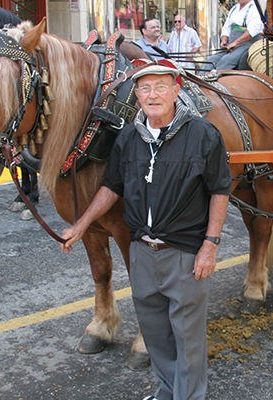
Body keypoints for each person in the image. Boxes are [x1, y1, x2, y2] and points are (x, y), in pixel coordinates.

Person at [60, 63, 231, 400]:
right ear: (136, 95)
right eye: (145, 89)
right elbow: (112, 188)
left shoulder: (203, 135)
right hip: (142, 253)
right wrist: (81, 225)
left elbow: (220, 191)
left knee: (187, 337)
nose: (153, 95)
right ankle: (168, 391)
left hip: (183, 253)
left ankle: (189, 396)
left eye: (160, 87)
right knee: (155, 334)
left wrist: (210, 245)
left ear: (176, 89)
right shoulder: (128, 137)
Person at [205, 0, 263, 71]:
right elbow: (227, 27)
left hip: (248, 43)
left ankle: (214, 79)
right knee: (210, 61)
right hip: (232, 44)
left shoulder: (255, 8)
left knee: (226, 60)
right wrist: (224, 40)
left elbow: (252, 31)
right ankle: (200, 80)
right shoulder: (235, 8)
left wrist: (235, 42)